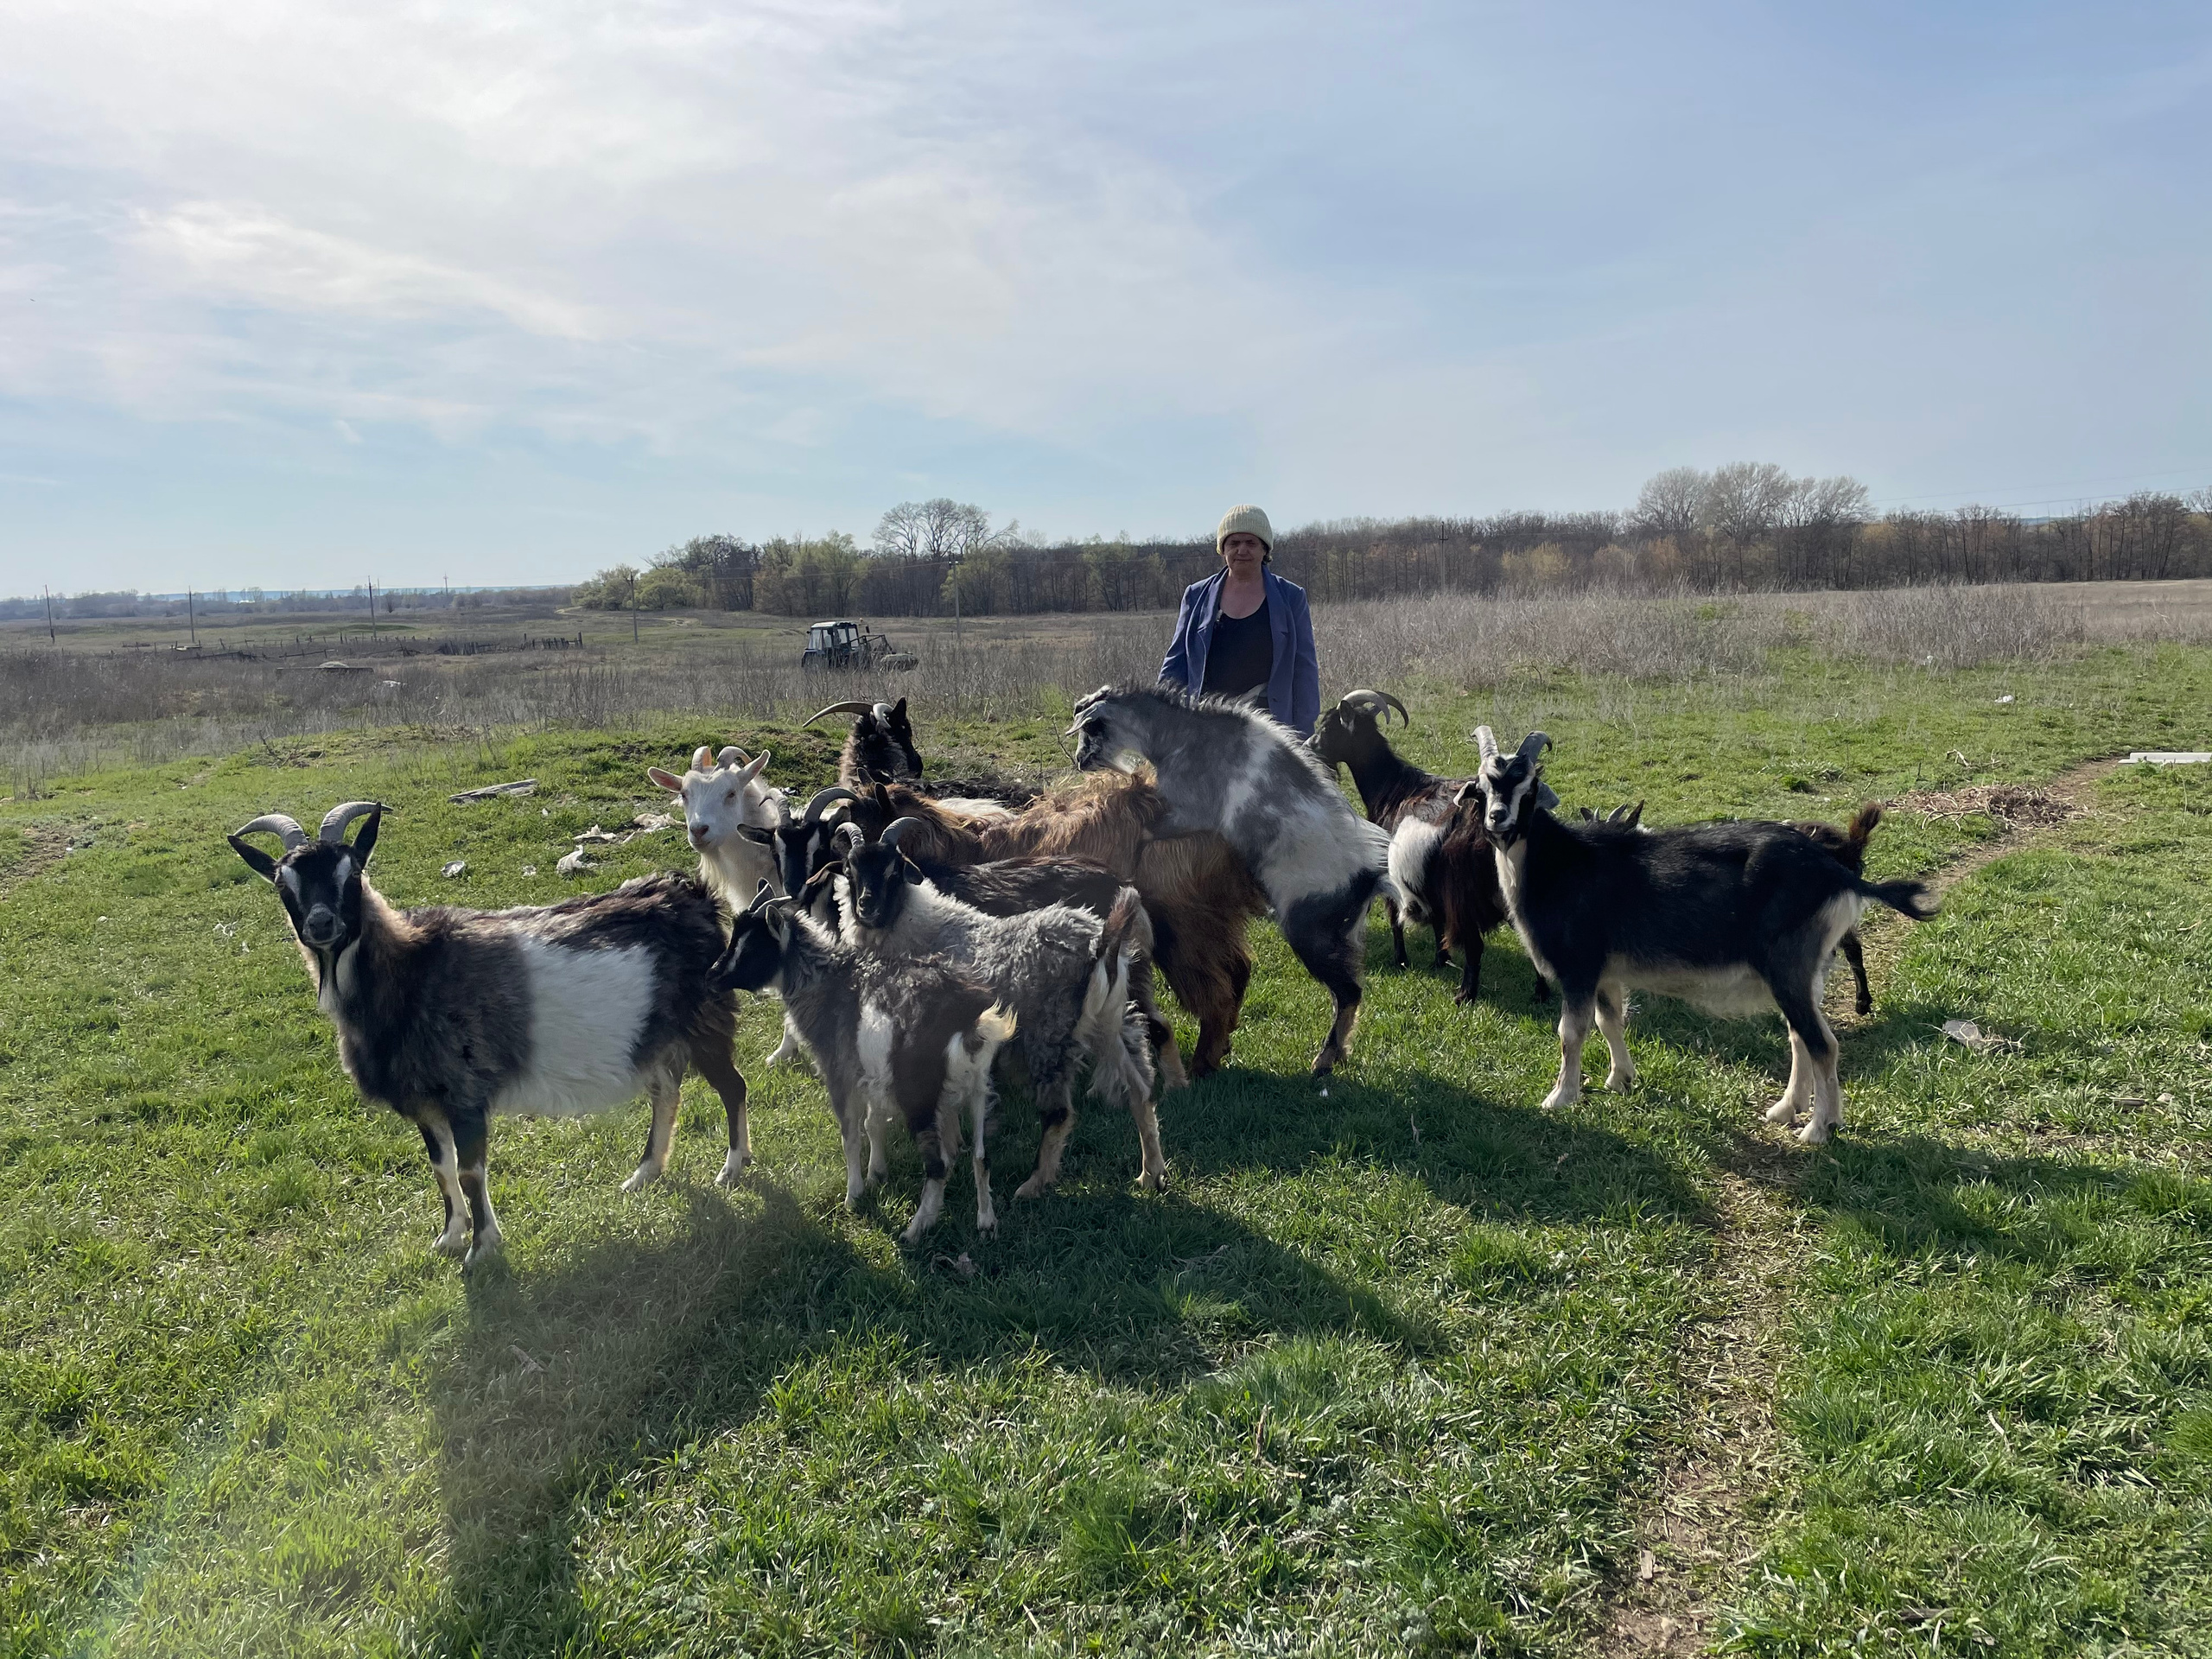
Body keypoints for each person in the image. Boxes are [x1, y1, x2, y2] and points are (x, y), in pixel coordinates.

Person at [1160, 504, 1321, 737]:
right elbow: (1175, 665)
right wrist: (1160, 725)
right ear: (1222, 549)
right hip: (1207, 724)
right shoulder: (1196, 596)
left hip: (1268, 728)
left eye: (1251, 543)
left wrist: (1304, 735)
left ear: (1265, 549)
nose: (1242, 550)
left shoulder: (1291, 598)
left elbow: (1304, 668)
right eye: (1233, 543)